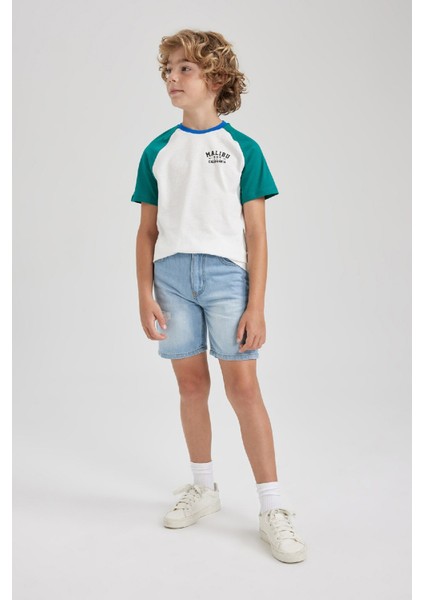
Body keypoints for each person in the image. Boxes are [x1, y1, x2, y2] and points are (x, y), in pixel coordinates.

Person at [130, 29, 307, 564]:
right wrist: (144, 294)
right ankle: (204, 487)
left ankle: (272, 506)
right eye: (169, 70)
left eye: (185, 68)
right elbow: (147, 231)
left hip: (228, 278)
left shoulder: (242, 150)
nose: (173, 78)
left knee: (243, 388)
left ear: (216, 78)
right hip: (171, 278)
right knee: (190, 384)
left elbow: (257, 235)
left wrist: (257, 305)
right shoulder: (157, 150)